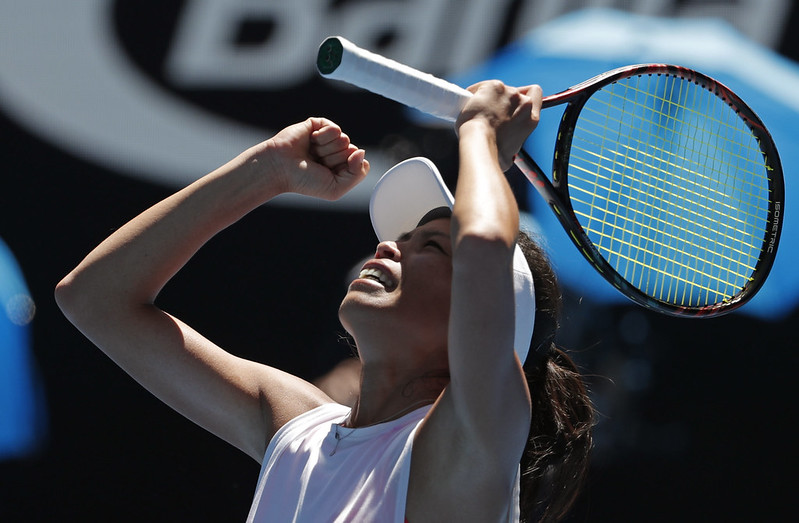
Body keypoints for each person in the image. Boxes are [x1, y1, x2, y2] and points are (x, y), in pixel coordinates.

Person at [55, 81, 593, 522]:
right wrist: (265, 171)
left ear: (487, 314)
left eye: (430, 246)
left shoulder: (477, 436)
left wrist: (482, 135)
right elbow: (93, 298)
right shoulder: (298, 429)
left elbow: (483, 248)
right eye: (402, 237)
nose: (389, 246)